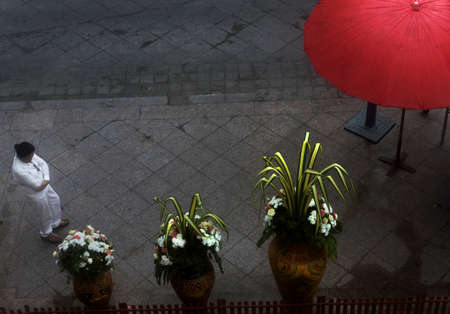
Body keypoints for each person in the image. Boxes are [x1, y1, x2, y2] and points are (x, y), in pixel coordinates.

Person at [11, 142, 69, 243]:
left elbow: (43, 163)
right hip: (35, 194)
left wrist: (46, 179)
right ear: (23, 157)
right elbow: (37, 186)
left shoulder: (28, 153)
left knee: (55, 200)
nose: (33, 157)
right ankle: (46, 233)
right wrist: (44, 181)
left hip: (44, 184)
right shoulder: (18, 170)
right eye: (31, 156)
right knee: (44, 212)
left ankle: (56, 222)